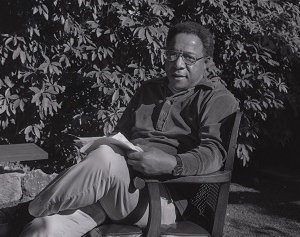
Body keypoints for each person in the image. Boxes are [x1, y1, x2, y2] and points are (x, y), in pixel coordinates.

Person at [17, 21, 238, 236]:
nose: (178, 64)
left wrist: (173, 163)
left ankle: (23, 212)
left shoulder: (216, 98)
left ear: (205, 62)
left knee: (105, 157)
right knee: (41, 230)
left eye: (189, 58)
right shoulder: (148, 90)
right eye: (172, 54)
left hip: (161, 200)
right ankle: (30, 219)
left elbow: (214, 154)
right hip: (116, 189)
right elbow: (120, 134)